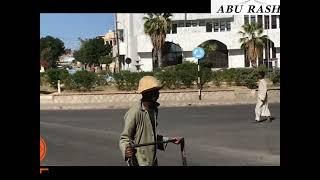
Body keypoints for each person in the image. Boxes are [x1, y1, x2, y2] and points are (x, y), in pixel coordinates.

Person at [119, 76, 182, 166]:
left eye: (157, 91)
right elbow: (124, 138)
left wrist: (169, 140)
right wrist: (126, 149)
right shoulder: (135, 112)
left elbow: (150, 136)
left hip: (151, 159)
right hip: (140, 161)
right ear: (146, 93)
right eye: (155, 92)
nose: (158, 94)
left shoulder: (154, 110)